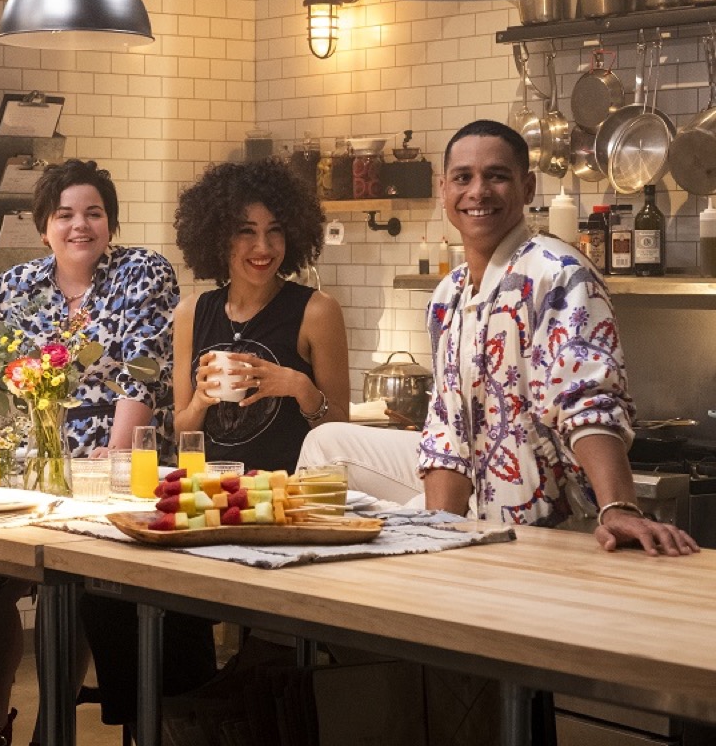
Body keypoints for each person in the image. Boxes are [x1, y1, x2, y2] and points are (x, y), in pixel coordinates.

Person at [297, 120, 698, 556]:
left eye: (497, 176)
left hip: (563, 531)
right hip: (485, 524)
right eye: (463, 178)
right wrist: (437, 539)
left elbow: (586, 399)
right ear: (444, 189)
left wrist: (618, 507)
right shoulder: (448, 295)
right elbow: (447, 431)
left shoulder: (558, 274)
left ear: (527, 188)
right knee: (326, 443)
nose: (478, 192)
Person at [0, 159, 179, 741]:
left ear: (111, 222)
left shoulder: (143, 273)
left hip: (117, 460)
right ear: (44, 227)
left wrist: (112, 459)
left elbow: (144, 371)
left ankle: (51, 729)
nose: (79, 225)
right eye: (64, 215)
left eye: (93, 213)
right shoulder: (14, 286)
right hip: (31, 462)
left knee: (74, 582)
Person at [173, 157, 350, 471]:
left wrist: (300, 387)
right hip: (210, 490)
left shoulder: (318, 311)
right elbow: (181, 434)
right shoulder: (190, 312)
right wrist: (200, 400)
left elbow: (341, 434)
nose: (263, 247)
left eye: (275, 231)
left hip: (287, 491)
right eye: (246, 232)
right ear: (218, 237)